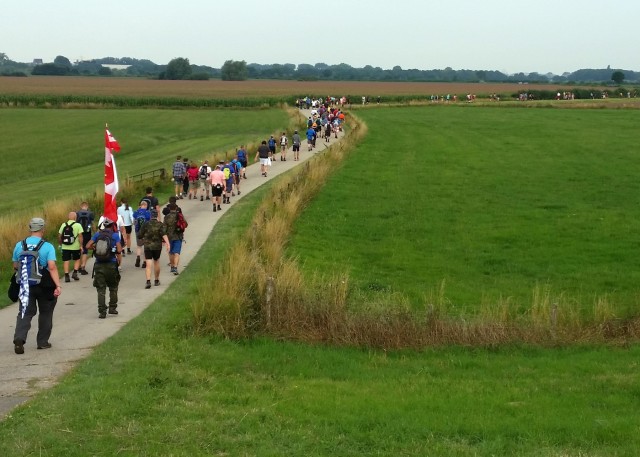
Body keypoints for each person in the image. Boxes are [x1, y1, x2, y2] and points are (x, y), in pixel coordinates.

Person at [12, 217, 62, 354]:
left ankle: (19, 338)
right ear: (42, 229)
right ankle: (42, 342)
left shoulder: (19, 245)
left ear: (30, 229)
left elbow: (15, 265)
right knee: (46, 312)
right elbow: (52, 267)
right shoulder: (47, 246)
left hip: (25, 284)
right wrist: (58, 285)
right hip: (45, 284)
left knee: (25, 312)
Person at [85, 218, 122, 319]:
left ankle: (102, 311)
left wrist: (94, 248)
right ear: (112, 226)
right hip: (111, 264)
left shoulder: (98, 235)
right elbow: (119, 250)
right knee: (113, 287)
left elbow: (88, 245)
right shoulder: (115, 235)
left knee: (101, 289)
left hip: (99, 264)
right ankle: (112, 308)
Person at [138, 209, 170, 289]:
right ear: (156, 216)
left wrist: (143, 237)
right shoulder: (160, 224)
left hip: (148, 246)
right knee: (156, 262)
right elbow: (164, 234)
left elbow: (139, 235)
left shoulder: (146, 224)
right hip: (157, 247)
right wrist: (167, 243)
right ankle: (156, 280)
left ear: (150, 215)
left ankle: (148, 281)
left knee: (148, 264)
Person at [58, 211, 83, 282]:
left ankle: (66, 275)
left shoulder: (63, 225)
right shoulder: (78, 225)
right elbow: (80, 236)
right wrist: (81, 245)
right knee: (77, 259)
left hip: (65, 246)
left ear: (68, 217)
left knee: (66, 260)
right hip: (75, 246)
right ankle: (75, 273)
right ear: (75, 217)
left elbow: (59, 236)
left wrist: (60, 244)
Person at [163, 203, 186, 275]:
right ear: (176, 208)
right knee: (177, 253)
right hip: (178, 236)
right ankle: (175, 268)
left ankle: (172, 266)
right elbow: (185, 224)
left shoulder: (166, 217)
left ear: (169, 209)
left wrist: (163, 238)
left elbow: (164, 228)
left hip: (169, 237)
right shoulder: (179, 216)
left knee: (171, 253)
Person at [76, 201, 94, 275]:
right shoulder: (90, 213)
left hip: (79, 233)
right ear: (87, 206)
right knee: (85, 250)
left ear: (81, 206)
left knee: (80, 248)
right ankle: (83, 267)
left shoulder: (77, 213)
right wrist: (94, 232)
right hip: (87, 233)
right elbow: (92, 224)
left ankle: (78, 266)